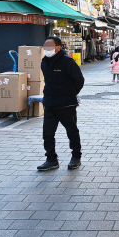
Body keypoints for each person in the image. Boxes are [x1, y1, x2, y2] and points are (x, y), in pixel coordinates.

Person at [37, 36, 85, 171]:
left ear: (58, 48)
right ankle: (51, 159)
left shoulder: (68, 62)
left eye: (49, 47)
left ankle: (76, 157)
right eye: (45, 47)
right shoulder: (44, 62)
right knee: (47, 133)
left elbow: (79, 80)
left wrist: (69, 94)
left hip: (66, 105)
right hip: (50, 104)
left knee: (72, 132)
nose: (46, 49)